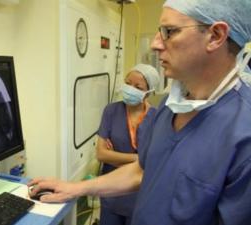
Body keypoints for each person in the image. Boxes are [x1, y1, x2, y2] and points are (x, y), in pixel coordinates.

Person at [28, 0, 251, 224]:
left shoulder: (243, 133)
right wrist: (74, 188)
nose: (155, 44)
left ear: (216, 35)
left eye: (169, 31)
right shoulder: (171, 104)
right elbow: (141, 171)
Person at [96, 64, 159, 225]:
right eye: (128, 83)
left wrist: (115, 156)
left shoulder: (157, 118)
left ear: (149, 92)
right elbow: (101, 154)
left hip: (139, 192)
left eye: (138, 87)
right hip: (111, 190)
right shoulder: (111, 111)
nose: (130, 89)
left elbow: (154, 162)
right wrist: (137, 158)